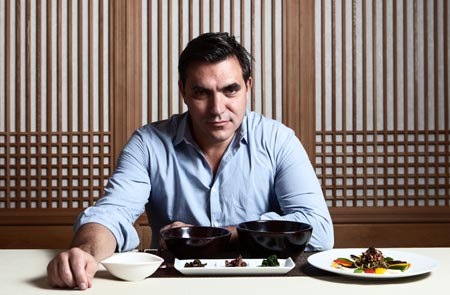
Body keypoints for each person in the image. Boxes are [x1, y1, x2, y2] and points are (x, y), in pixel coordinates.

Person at [47, 32, 334, 290]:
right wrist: (85, 252)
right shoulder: (148, 144)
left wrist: (218, 235)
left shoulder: (278, 141)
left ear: (248, 87)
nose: (217, 108)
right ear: (183, 91)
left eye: (230, 90)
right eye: (201, 92)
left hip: (263, 284)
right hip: (173, 284)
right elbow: (112, 214)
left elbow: (318, 231)